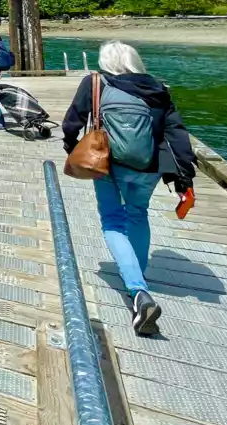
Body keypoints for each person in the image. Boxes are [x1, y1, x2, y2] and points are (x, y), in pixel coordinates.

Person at [61, 41, 197, 336]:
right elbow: (176, 132)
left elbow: (72, 121)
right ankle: (138, 276)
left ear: (105, 62)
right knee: (138, 214)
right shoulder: (158, 89)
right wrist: (185, 177)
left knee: (113, 222)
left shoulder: (96, 83)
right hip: (149, 166)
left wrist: (71, 147)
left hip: (109, 163)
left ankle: (138, 290)